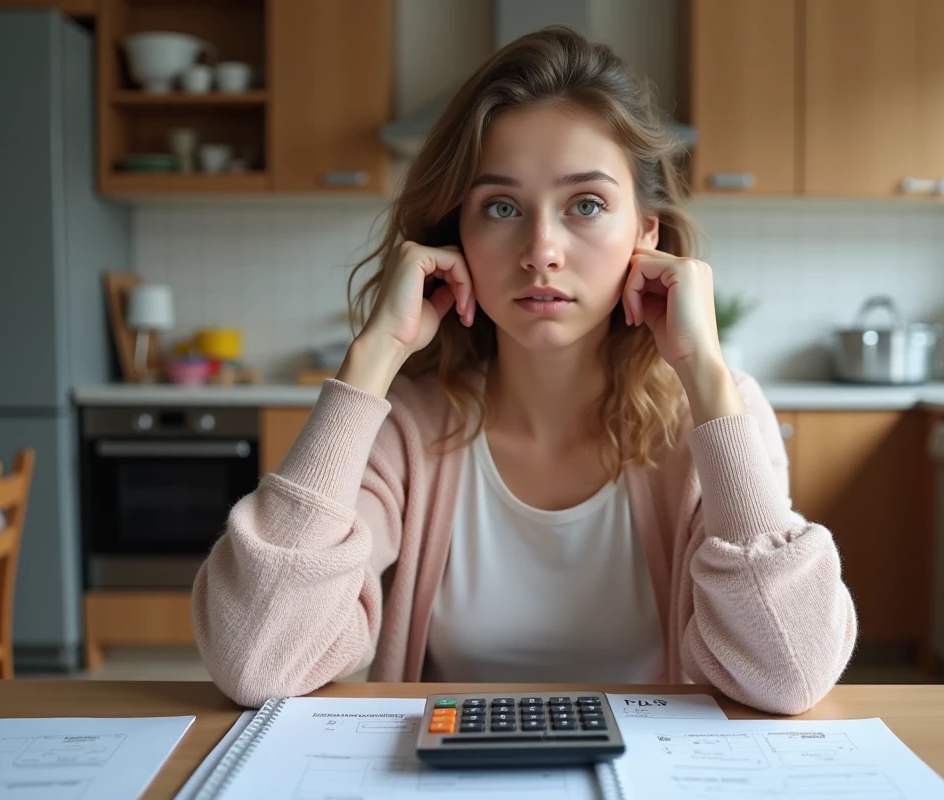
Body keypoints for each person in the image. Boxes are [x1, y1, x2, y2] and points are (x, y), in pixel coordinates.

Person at [192, 27, 857, 715]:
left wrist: (709, 379)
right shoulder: (406, 426)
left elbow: (789, 673)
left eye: (586, 205)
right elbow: (257, 663)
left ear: (647, 232)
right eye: (501, 207)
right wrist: (371, 359)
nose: (542, 250)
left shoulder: (718, 415)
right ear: (457, 235)